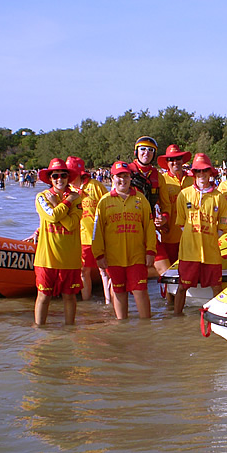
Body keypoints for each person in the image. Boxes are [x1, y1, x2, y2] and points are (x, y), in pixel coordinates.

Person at [92, 161, 157, 319]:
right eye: (119, 176)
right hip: (114, 257)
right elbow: (97, 232)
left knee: (140, 290)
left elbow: (149, 227)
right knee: (118, 291)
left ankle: (146, 327)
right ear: (112, 178)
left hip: (137, 256)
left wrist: (150, 251)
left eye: (126, 176)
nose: (122, 180)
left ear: (130, 178)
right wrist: (99, 255)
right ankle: (122, 325)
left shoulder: (141, 200)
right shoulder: (104, 202)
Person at [173, 153, 227, 315]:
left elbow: (224, 224)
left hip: (211, 251)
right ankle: (176, 318)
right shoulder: (184, 194)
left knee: (216, 286)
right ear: (193, 174)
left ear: (210, 173)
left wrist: (211, 236)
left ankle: (217, 318)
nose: (201, 175)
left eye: (205, 171)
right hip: (189, 252)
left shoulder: (218, 197)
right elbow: (181, 222)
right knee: (182, 286)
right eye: (198, 171)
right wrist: (193, 236)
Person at [33, 158, 83, 326]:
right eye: (55, 176)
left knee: (69, 297)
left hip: (70, 259)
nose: (59, 179)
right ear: (50, 179)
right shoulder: (42, 197)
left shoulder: (77, 199)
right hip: (47, 258)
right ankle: (40, 333)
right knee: (43, 296)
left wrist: (59, 204)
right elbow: (52, 216)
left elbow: (71, 224)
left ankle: (70, 331)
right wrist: (66, 202)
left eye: (63, 175)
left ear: (68, 178)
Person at [66, 156, 110, 303]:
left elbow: (108, 207)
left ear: (79, 173)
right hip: (80, 239)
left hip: (99, 237)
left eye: (71, 173)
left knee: (104, 271)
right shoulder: (68, 191)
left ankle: (109, 303)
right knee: (84, 271)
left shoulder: (95, 186)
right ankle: (87, 304)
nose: (69, 177)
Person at [129, 136, 171, 277]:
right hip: (128, 230)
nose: (146, 153)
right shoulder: (125, 173)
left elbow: (166, 205)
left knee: (166, 271)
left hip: (149, 229)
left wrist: (164, 218)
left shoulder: (158, 177)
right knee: (121, 274)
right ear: (136, 152)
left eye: (150, 150)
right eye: (143, 149)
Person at [156, 145, 194, 271]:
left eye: (178, 158)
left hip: (191, 235)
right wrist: (159, 222)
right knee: (170, 273)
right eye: (171, 159)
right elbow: (155, 205)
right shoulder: (162, 180)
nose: (175, 162)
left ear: (183, 160)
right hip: (170, 236)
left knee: (190, 271)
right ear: (167, 163)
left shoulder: (192, 180)